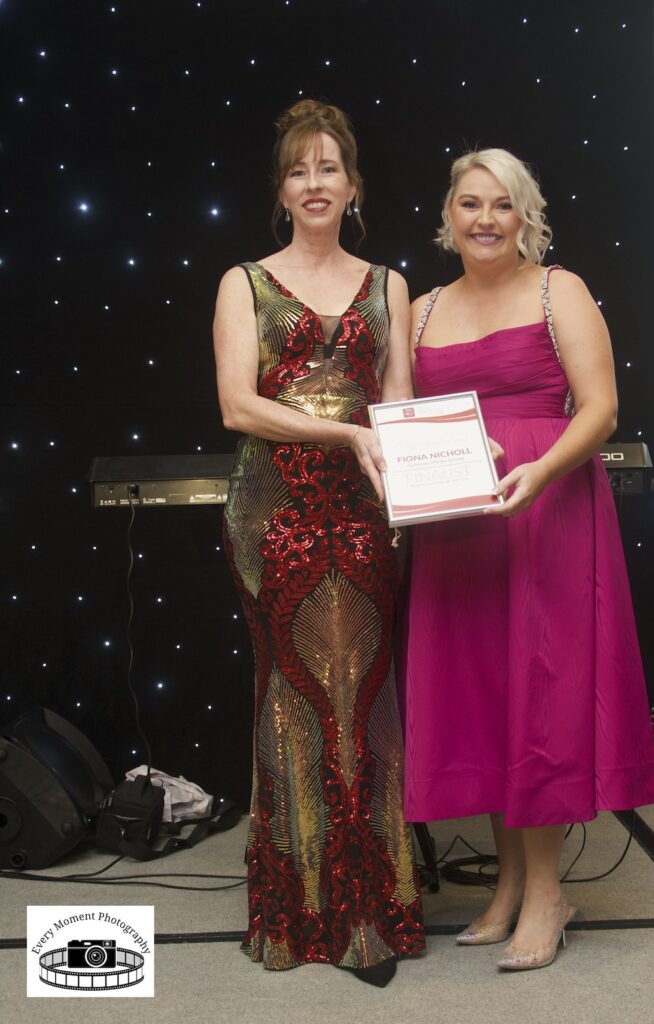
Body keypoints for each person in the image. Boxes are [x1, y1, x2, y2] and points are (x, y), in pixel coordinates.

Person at [404, 149, 654, 971]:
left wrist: (539, 469)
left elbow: (602, 409)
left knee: (541, 696)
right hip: (460, 524)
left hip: (547, 510)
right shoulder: (420, 308)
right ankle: (510, 884)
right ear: (448, 215)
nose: (484, 219)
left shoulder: (562, 290)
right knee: (484, 695)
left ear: (526, 216)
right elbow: (405, 417)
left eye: (502, 206)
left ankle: (548, 893)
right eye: (469, 203)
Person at [213, 99, 424, 987]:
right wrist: (345, 437)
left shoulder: (389, 285)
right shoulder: (244, 283)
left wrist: (446, 462)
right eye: (300, 170)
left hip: (369, 518)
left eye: (329, 169)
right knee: (294, 700)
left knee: (368, 703)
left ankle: (373, 908)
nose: (314, 183)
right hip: (279, 517)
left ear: (353, 187)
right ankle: (296, 913)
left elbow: (404, 409)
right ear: (281, 189)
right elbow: (237, 406)